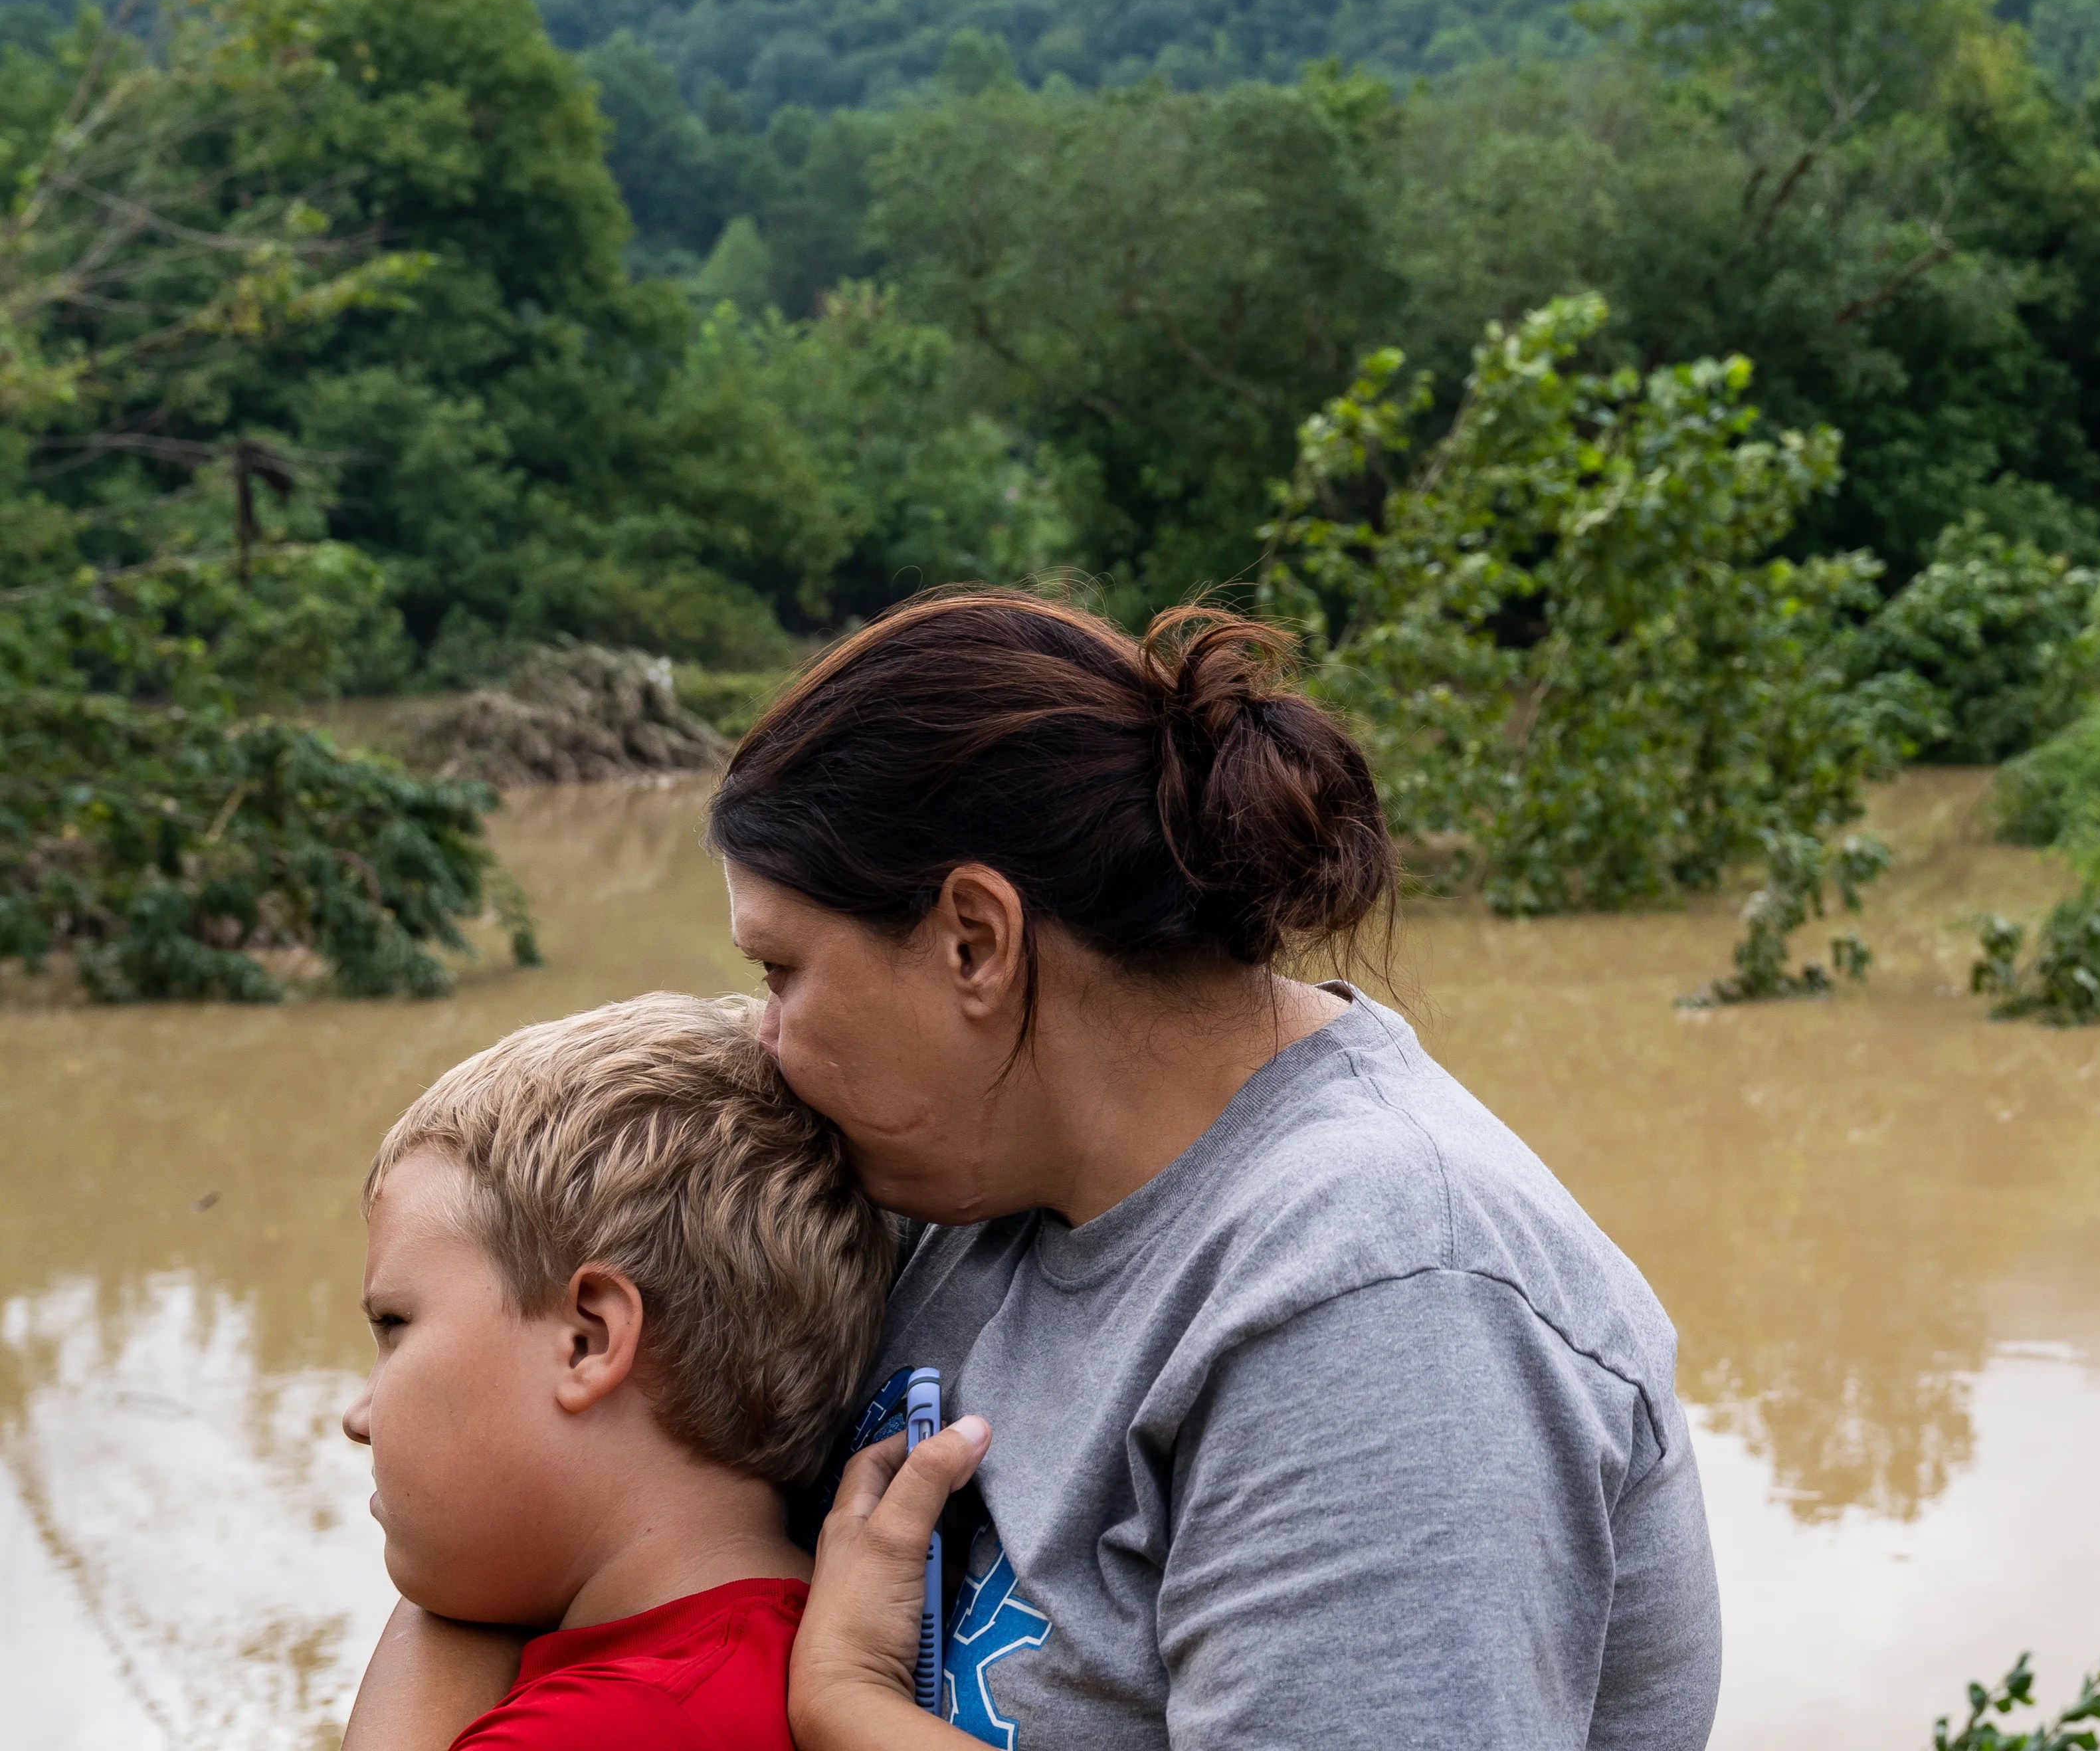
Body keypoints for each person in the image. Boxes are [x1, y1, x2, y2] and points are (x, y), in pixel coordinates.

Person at [356, 589, 1724, 1751]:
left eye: (782, 972)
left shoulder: (1385, 1300)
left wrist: (848, 1710)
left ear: (973, 941)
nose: (763, 1043)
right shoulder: (960, 1183)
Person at [343, 993, 898, 1750]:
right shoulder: (769, 1643)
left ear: (590, 1341)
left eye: (396, 1326)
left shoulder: (619, 1720)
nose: (359, 1415)